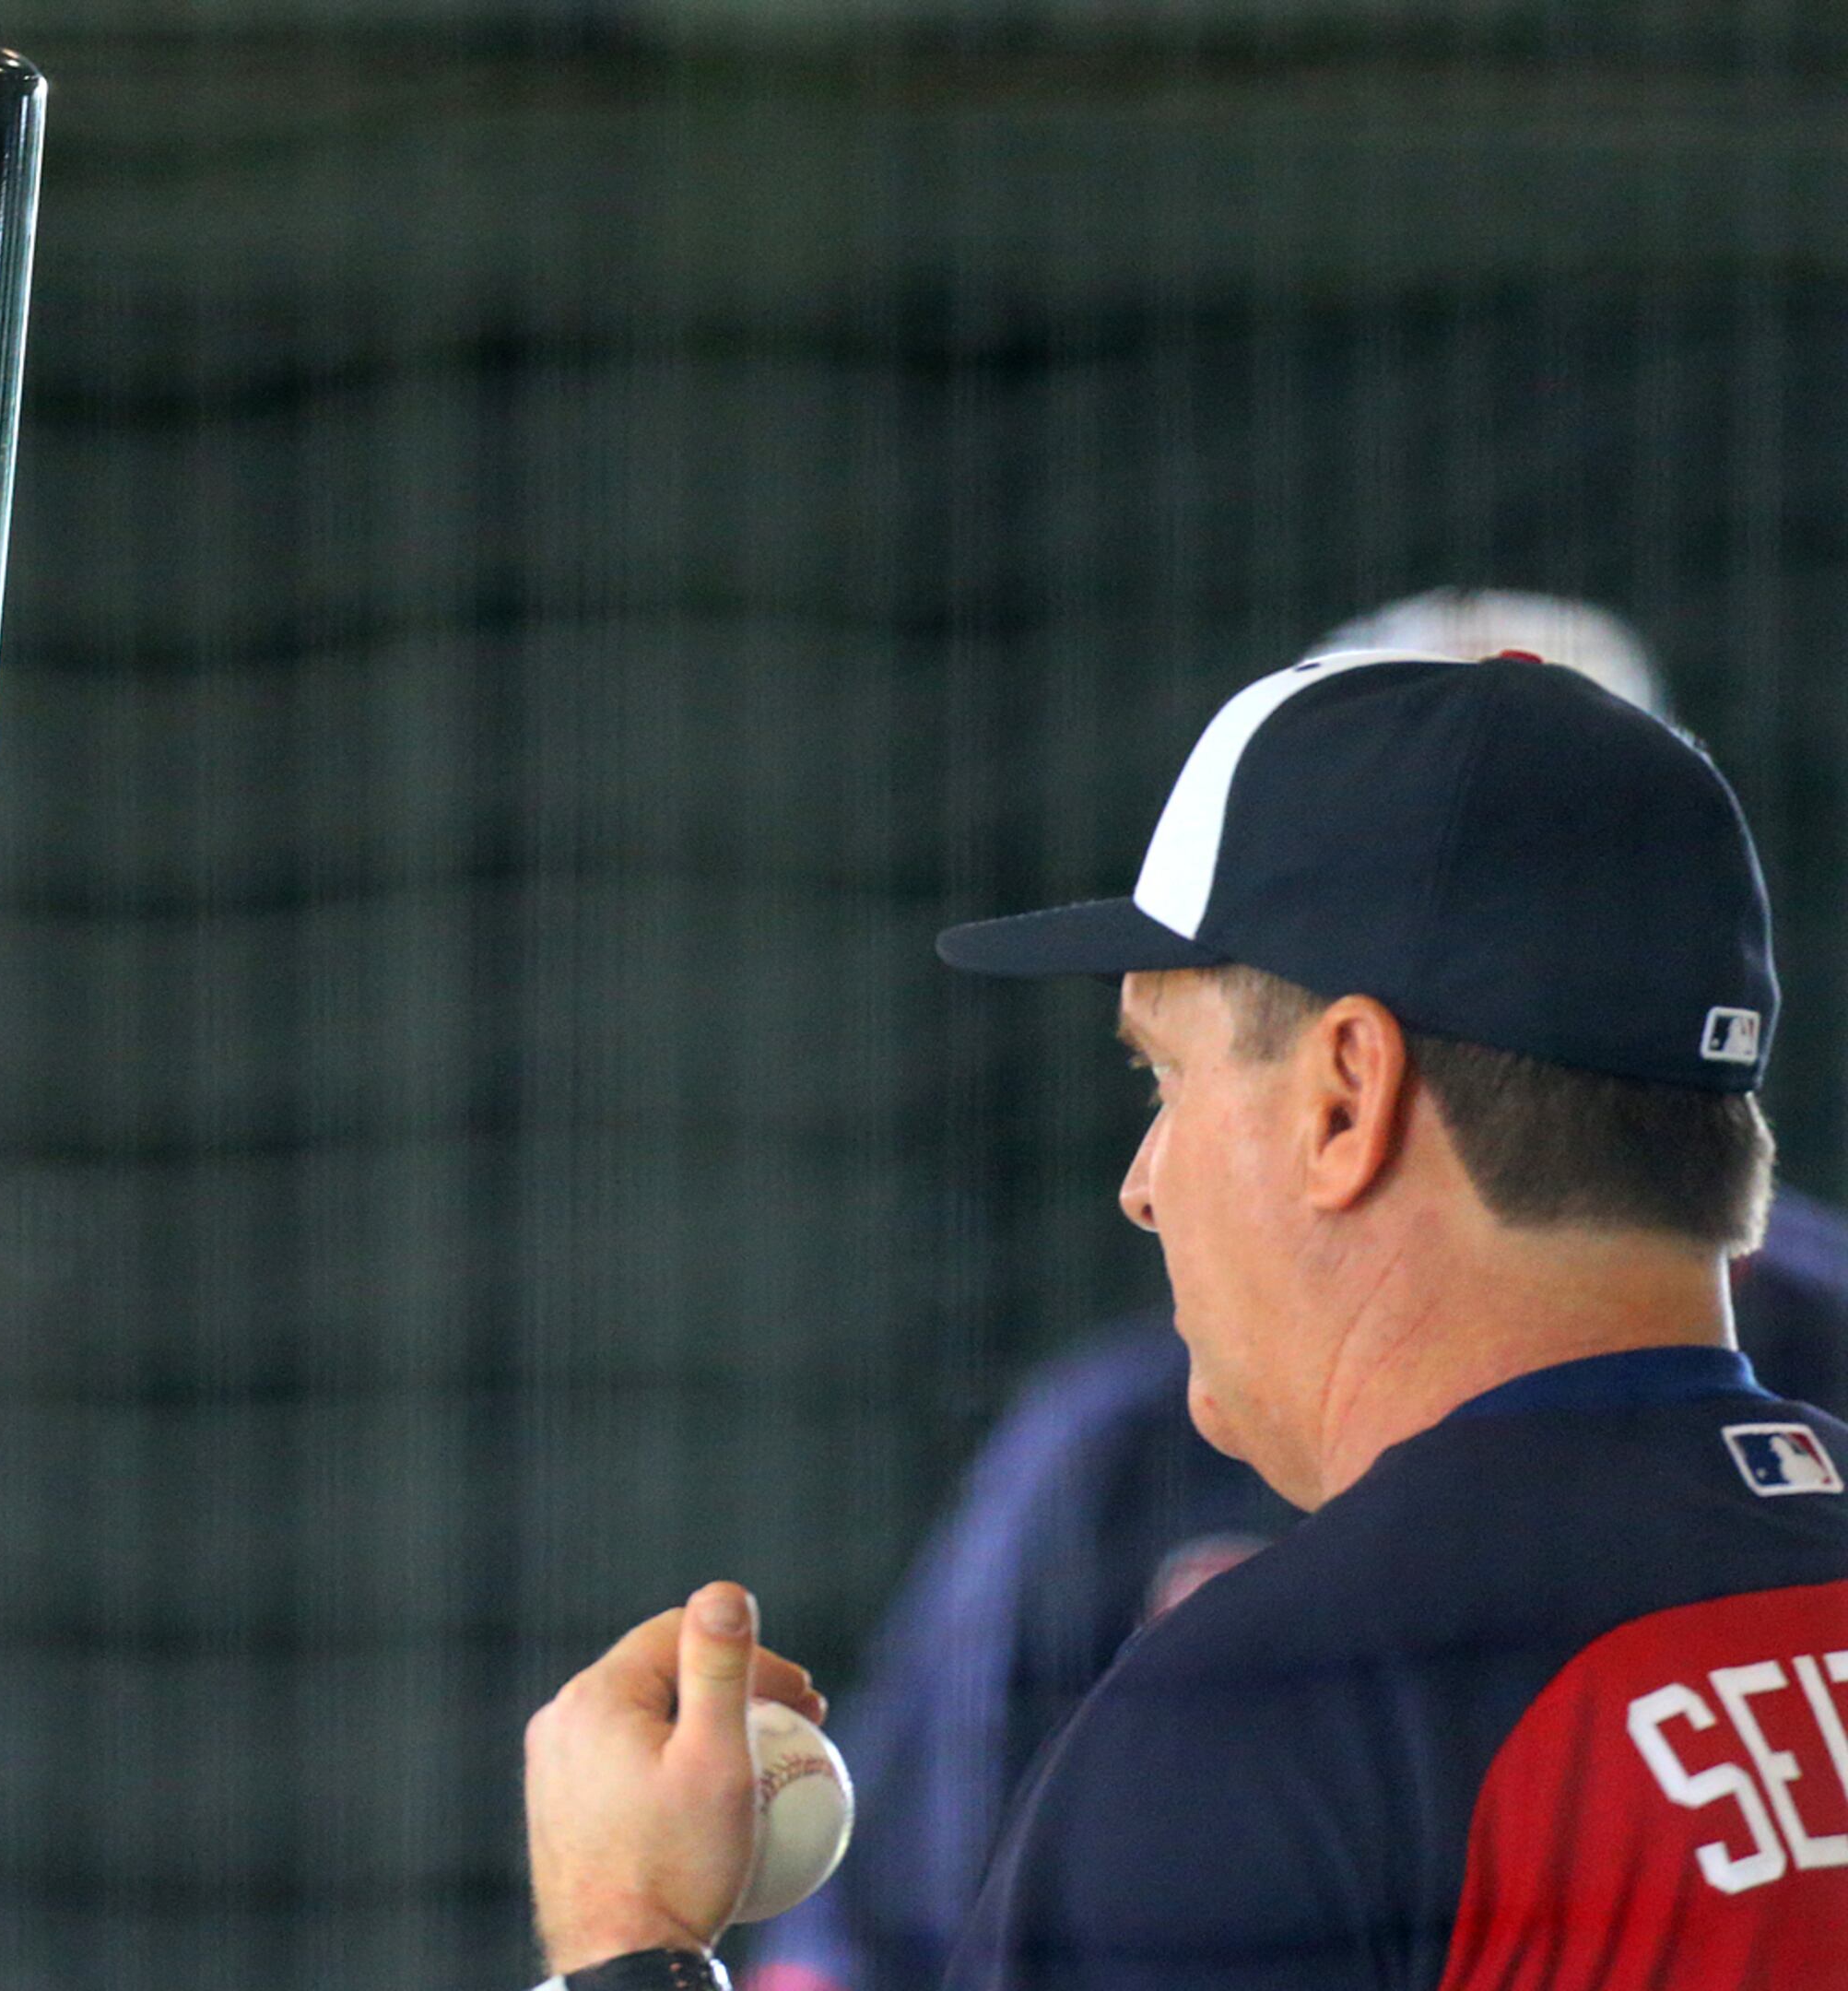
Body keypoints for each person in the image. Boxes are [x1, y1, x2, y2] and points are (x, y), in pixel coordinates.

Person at [524, 647, 1848, 1988]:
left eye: (1164, 1076)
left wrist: (628, 1938)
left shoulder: (1273, 1725)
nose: (1140, 1185)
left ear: (1345, 1097)